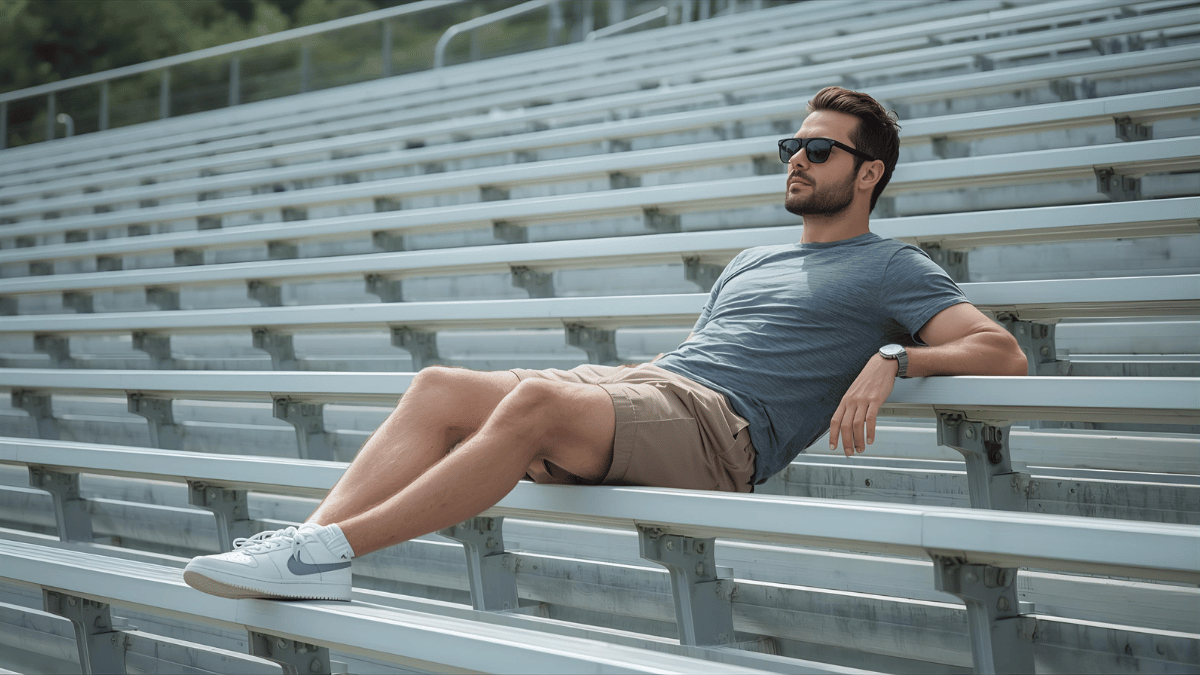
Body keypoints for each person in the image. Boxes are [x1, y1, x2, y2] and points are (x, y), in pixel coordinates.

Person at [183, 86, 1028, 602]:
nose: (796, 160)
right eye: (791, 146)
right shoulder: (752, 259)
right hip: (659, 385)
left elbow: (1001, 352)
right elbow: (694, 360)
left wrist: (894, 358)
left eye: (817, 149)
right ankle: (305, 549)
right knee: (440, 385)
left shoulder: (890, 266)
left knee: (538, 403)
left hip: (720, 431)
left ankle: (330, 552)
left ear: (869, 172)